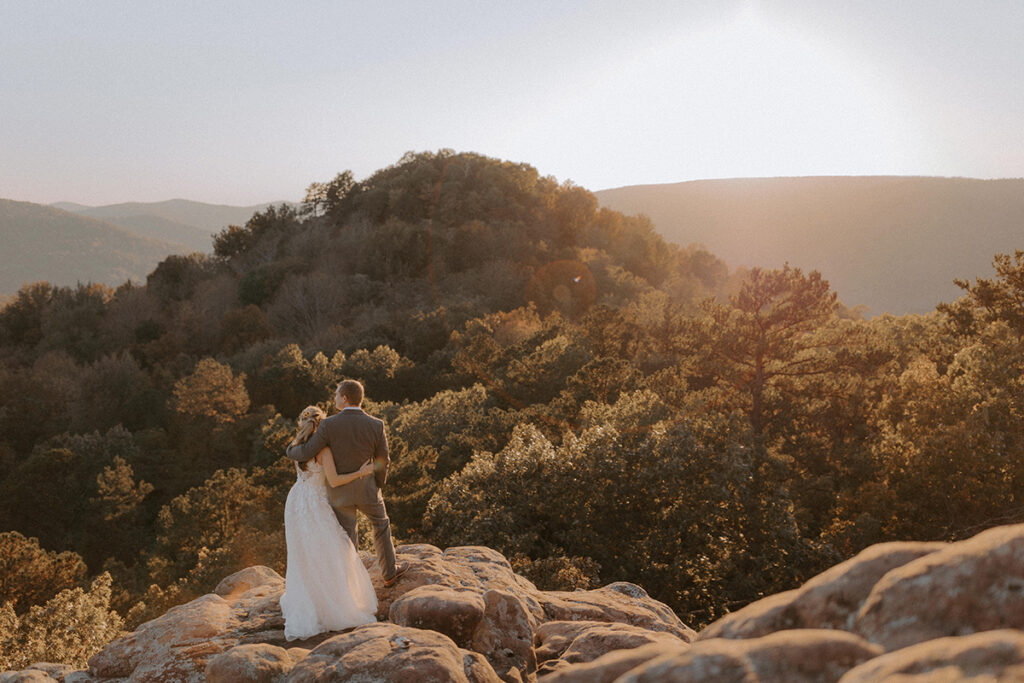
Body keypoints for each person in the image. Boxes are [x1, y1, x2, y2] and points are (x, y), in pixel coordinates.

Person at [286, 379, 409, 587]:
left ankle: (351, 584)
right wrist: (377, 485)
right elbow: (383, 460)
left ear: (344, 398)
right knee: (381, 525)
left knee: (348, 536)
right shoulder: (376, 424)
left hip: (340, 491)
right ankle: (389, 574)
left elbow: (306, 452)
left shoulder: (328, 425)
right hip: (368, 489)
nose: (334, 398)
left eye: (336, 394)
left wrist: (289, 450)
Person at [280, 405, 378, 640]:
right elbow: (334, 481)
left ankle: (310, 602)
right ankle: (334, 605)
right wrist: (361, 472)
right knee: (331, 548)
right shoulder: (323, 450)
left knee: (303, 553)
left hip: (296, 501)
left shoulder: (297, 448)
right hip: (314, 502)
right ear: (321, 426)